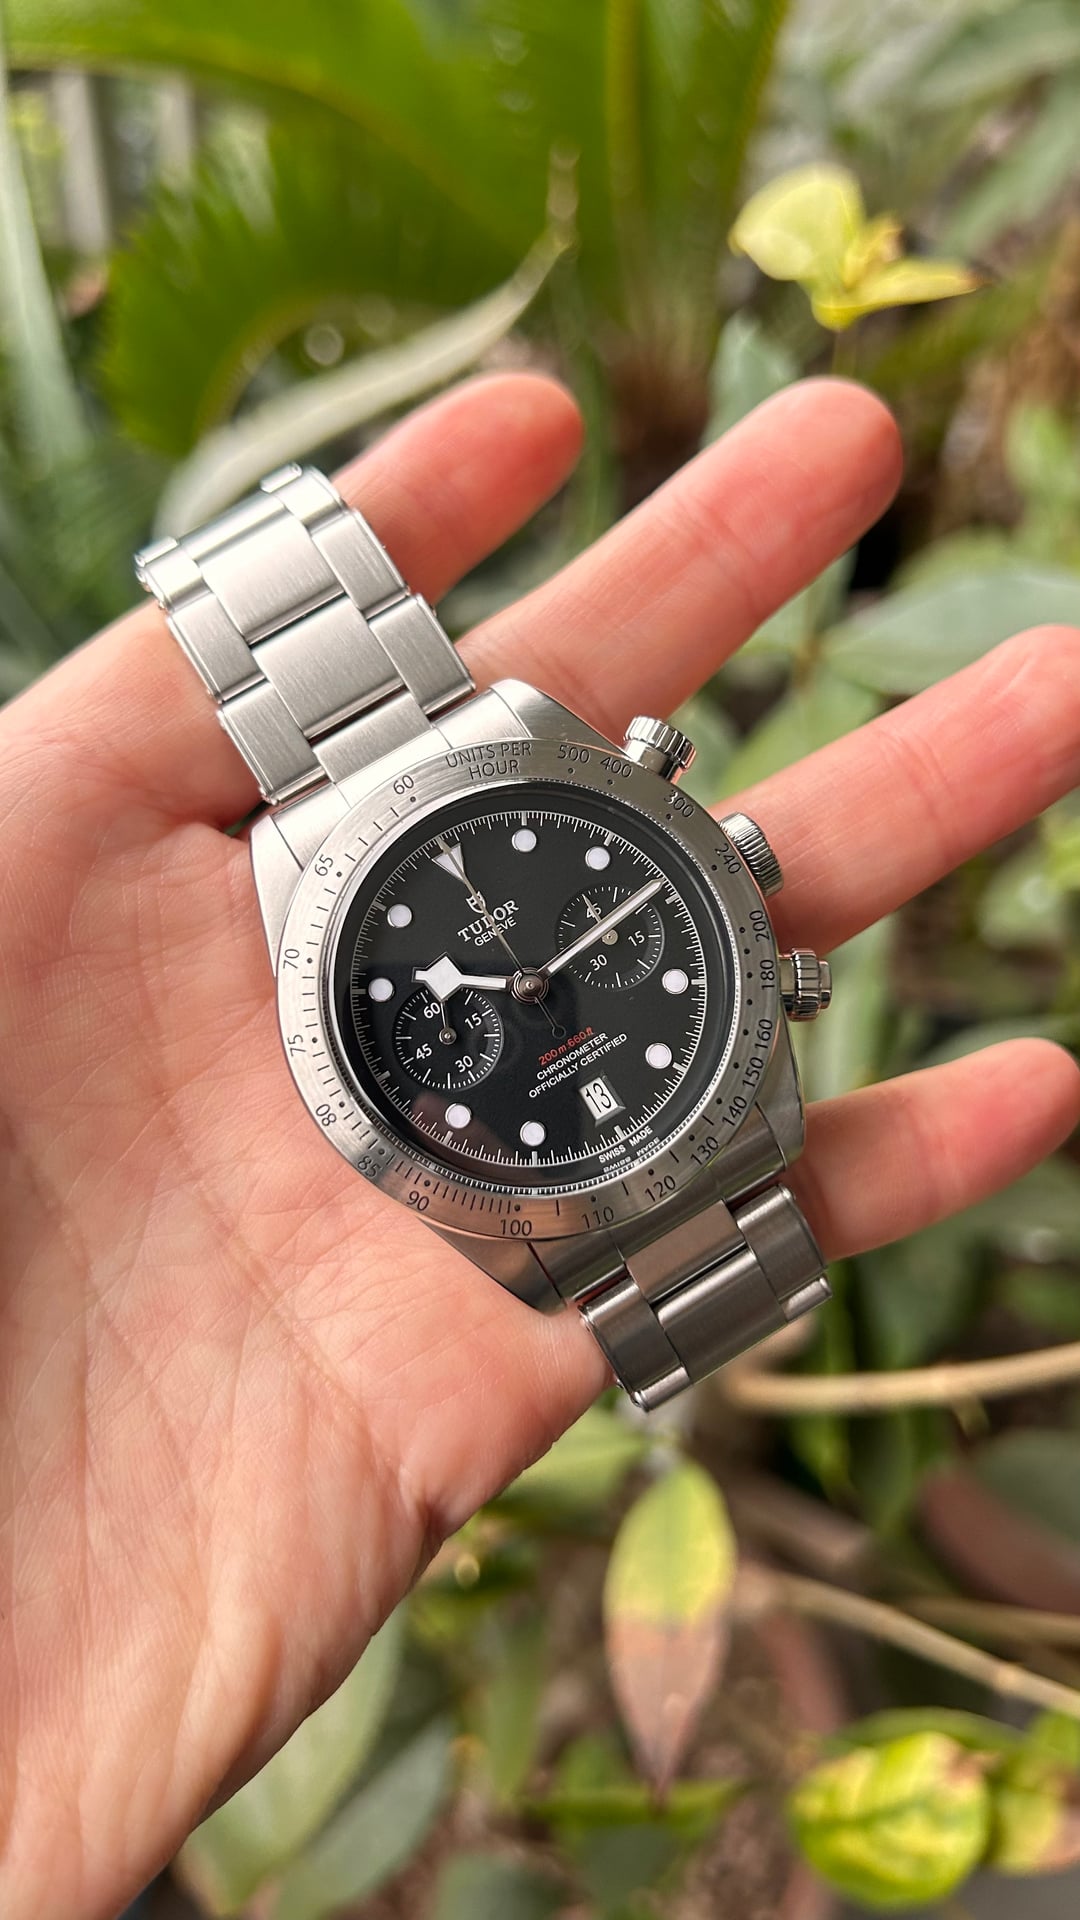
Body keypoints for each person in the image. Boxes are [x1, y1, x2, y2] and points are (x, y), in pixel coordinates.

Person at [1, 372, 1077, 1918]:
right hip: (566, 1150)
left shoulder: (549, 785)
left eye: (545, 965)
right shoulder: (329, 926)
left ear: (713, 863)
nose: (524, 994)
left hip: (656, 1095)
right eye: (481, 1001)